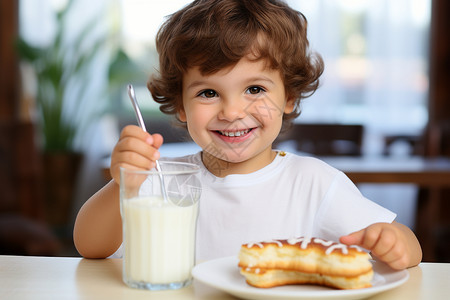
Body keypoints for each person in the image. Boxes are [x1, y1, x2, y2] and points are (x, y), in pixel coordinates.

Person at [73, 0, 421, 270]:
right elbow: (89, 246)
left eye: (254, 88)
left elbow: (408, 245)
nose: (232, 112)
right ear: (180, 105)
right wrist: (124, 184)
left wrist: (394, 240)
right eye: (208, 93)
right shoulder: (166, 181)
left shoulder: (313, 183)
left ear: (289, 97)